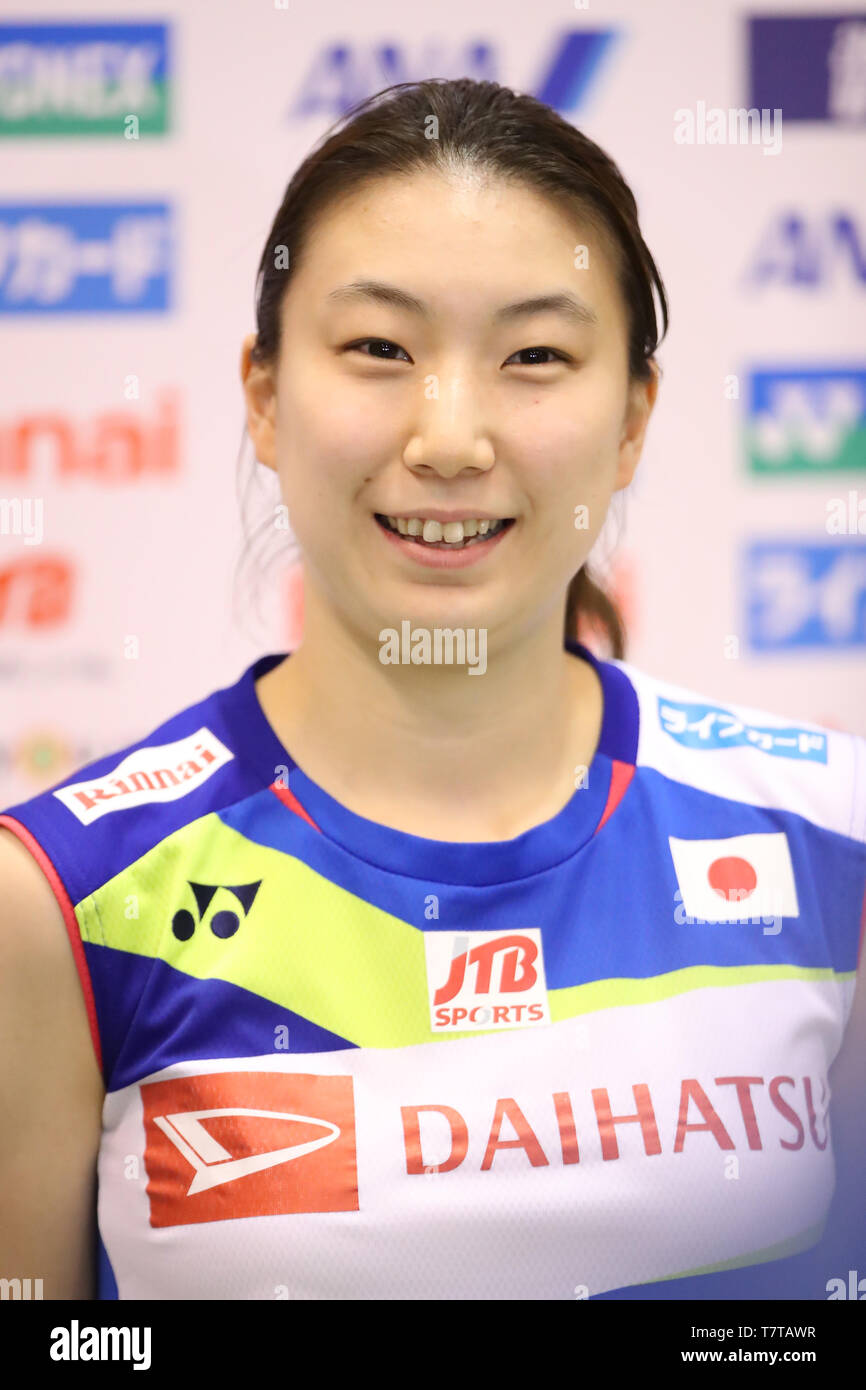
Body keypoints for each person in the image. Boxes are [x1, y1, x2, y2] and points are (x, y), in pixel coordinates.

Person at [1, 77, 864, 1302]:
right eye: (378, 349)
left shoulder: (830, 840)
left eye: (533, 355)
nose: (449, 438)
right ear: (263, 394)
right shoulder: (59, 906)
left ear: (631, 420)